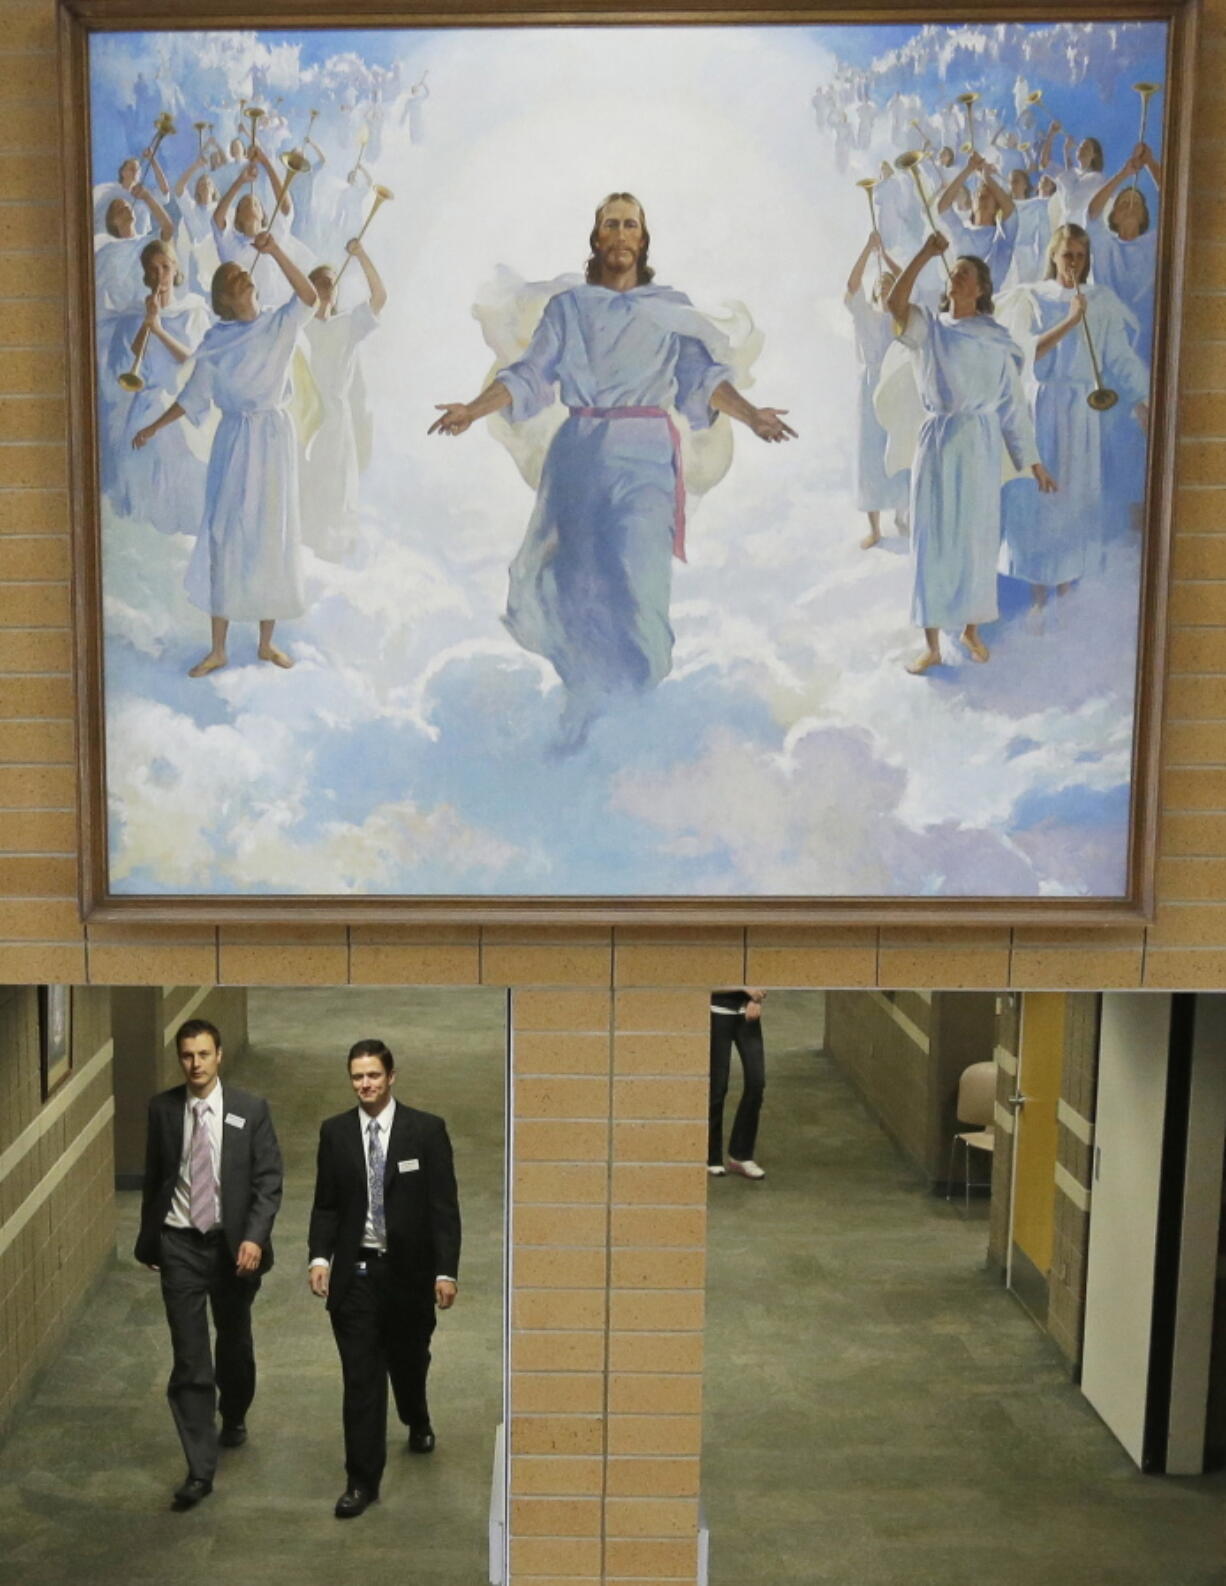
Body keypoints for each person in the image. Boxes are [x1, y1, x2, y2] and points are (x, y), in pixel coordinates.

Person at [429, 191, 796, 750]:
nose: (621, 235)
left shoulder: (669, 308)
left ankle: (638, 711)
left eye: (631, 225)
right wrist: (472, 409)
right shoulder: (569, 309)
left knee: (638, 586)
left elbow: (701, 379)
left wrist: (750, 416)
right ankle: (587, 711)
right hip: (578, 453)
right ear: (597, 238)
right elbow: (530, 374)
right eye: (611, 225)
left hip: (645, 454)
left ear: (642, 240)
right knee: (575, 583)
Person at [131, 231, 318, 676]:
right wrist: (154, 427)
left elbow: (309, 295)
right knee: (225, 536)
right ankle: (218, 648)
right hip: (234, 444)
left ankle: (266, 643)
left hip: (273, 441)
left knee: (271, 534)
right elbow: (193, 397)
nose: (245, 277)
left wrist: (275, 251)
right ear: (224, 299)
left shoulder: (279, 323)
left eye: (244, 272)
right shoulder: (216, 341)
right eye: (235, 277)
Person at [888, 234, 1057, 673]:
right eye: (953, 271)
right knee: (933, 537)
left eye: (965, 272)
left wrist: (1034, 461)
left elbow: (1013, 406)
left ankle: (970, 629)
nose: (955, 276)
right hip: (939, 441)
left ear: (981, 288)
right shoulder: (931, 327)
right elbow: (894, 304)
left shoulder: (996, 341)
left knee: (975, 538)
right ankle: (932, 644)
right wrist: (924, 253)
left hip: (980, 445)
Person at [308, 1039, 461, 1520]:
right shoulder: (335, 1134)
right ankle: (361, 1481)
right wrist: (319, 1258)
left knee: (409, 1361)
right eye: (357, 1076)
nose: (365, 1084)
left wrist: (445, 1270)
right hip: (356, 1276)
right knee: (361, 1380)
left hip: (409, 1275)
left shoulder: (426, 1132)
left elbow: (443, 1209)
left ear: (391, 1077)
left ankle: (416, 1415)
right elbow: (326, 1204)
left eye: (373, 1075)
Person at [134, 1018, 283, 1510]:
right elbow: (157, 1180)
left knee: (233, 1341)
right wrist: (151, 1242)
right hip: (180, 1244)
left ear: (219, 1056)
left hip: (232, 1248)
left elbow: (267, 1181)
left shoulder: (249, 1110)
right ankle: (199, 1469)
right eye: (186, 1056)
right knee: (190, 1356)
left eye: (203, 1054)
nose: (194, 1064)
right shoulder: (163, 1109)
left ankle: (235, 1411)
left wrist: (255, 1239)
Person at [1001, 223, 1149, 615]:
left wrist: (1142, 398)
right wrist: (1069, 319)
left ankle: (1065, 594)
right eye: (1067, 254)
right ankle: (1036, 598)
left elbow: (1118, 355)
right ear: (1053, 255)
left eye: (1081, 256)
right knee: (1039, 506)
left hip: (1081, 416)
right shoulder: (1034, 297)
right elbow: (1025, 354)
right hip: (1043, 409)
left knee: (1072, 503)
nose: (1074, 263)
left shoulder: (1100, 300)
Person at [105, 238, 208, 536]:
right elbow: (128, 365)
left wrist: (159, 328)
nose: (160, 275)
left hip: (183, 400)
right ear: (146, 275)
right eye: (153, 269)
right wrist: (147, 321)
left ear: (175, 269)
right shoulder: (135, 316)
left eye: (165, 267)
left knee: (177, 456)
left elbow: (193, 361)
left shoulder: (193, 311)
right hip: (146, 399)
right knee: (137, 451)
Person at [300, 238, 385, 560]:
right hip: (303, 418)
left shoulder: (346, 325)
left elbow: (379, 297)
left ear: (336, 292)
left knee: (334, 484)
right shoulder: (297, 328)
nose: (324, 287)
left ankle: (331, 550)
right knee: (305, 483)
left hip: (334, 419)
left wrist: (362, 255)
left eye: (330, 283)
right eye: (318, 282)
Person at [845, 231, 908, 549]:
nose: (885, 290)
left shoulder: (901, 318)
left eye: (890, 287)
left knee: (897, 450)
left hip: (896, 387)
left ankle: (902, 513)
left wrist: (887, 260)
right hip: (871, 390)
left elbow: (907, 282)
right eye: (880, 287)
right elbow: (852, 285)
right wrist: (868, 250)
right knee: (870, 453)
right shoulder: (865, 315)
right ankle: (875, 527)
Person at [708, 989, 768, 1180]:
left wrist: (756, 999)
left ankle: (740, 1155)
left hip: (747, 1015)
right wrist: (742, 988)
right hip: (716, 1012)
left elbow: (763, 972)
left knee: (756, 1083)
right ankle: (712, 1157)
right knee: (717, 1088)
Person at [937, 152, 1019, 289]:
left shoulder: (1001, 238)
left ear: (997, 206)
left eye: (989, 195)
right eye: (979, 194)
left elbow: (1010, 210)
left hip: (987, 305)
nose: (982, 195)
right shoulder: (962, 231)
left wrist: (986, 177)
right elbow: (943, 207)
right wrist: (968, 169)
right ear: (972, 203)